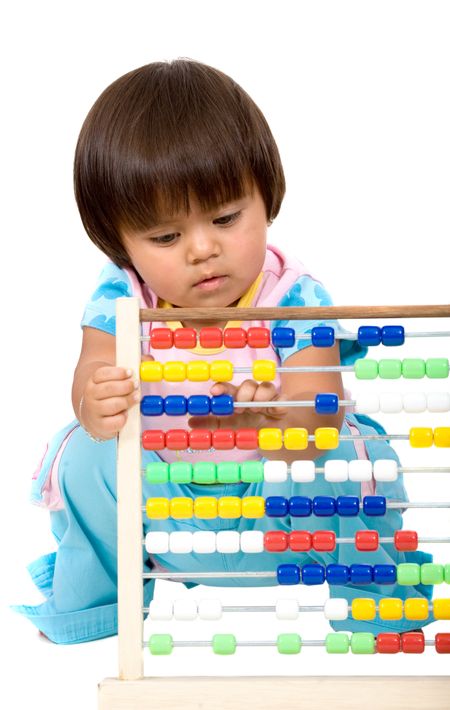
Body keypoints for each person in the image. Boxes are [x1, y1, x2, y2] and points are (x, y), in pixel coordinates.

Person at [12, 58, 432, 645]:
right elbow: (90, 376)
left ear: (268, 197)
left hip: (281, 510)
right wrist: (95, 400)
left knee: (354, 457)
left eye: (227, 217)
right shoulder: (122, 296)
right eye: (165, 236)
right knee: (86, 455)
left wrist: (280, 422)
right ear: (121, 244)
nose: (203, 249)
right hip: (167, 509)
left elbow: (321, 408)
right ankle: (104, 603)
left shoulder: (294, 297)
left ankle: (373, 598)